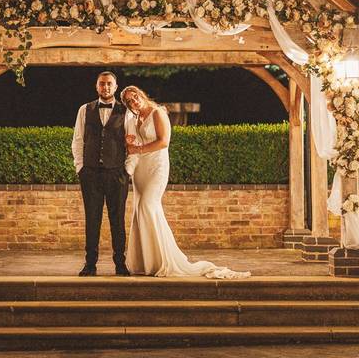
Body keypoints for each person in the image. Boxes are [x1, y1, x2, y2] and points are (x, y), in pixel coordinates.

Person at [121, 85, 250, 279]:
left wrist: (138, 150)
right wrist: (130, 143)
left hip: (157, 166)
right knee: (139, 209)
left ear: (142, 95)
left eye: (135, 97)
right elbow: (134, 144)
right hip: (140, 170)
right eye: (129, 101)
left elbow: (164, 142)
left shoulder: (157, 112)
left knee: (149, 205)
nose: (134, 102)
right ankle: (145, 262)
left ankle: (164, 259)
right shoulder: (134, 118)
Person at [71, 71, 131, 276]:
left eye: (109, 84)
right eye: (102, 84)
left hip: (117, 174)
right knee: (92, 219)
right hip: (90, 173)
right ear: (96, 86)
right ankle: (90, 264)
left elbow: (133, 143)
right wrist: (80, 167)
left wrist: (127, 170)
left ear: (115, 87)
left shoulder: (127, 111)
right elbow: (78, 140)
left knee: (118, 220)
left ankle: (120, 264)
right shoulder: (84, 110)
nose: (105, 87)